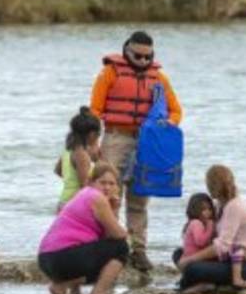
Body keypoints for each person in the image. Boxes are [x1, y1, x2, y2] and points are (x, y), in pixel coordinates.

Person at [89, 30, 182, 273]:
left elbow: (176, 112)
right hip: (115, 137)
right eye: (137, 56)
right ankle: (108, 245)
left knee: (140, 198)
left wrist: (165, 127)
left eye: (147, 57)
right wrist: (93, 141)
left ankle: (138, 250)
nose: (142, 62)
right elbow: (95, 110)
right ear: (126, 51)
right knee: (108, 193)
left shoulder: (159, 79)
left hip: (147, 142)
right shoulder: (110, 72)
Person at [36, 161, 129, 294]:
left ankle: (64, 287)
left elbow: (104, 238)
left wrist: (114, 209)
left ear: (117, 187)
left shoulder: (83, 194)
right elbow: (118, 235)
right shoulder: (96, 197)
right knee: (122, 248)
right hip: (62, 258)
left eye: (112, 184)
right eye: (102, 182)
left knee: (96, 249)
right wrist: (117, 215)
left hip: (46, 260)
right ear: (91, 183)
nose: (107, 187)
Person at [174, 165, 246, 294]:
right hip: (226, 258)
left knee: (192, 267)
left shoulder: (235, 207)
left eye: (208, 183)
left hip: (244, 264)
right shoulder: (219, 205)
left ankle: (208, 284)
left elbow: (222, 246)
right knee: (178, 253)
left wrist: (190, 259)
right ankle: (205, 282)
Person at [54, 106, 102, 211]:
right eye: (99, 134)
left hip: (64, 200)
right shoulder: (82, 155)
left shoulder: (69, 149)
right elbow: (84, 186)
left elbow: (58, 171)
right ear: (92, 134)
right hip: (74, 205)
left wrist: (71, 180)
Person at [171, 192, 216, 270]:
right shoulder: (196, 223)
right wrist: (210, 227)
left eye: (209, 209)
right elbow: (200, 242)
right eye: (204, 209)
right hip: (193, 259)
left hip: (190, 257)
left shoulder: (194, 223)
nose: (208, 212)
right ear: (195, 210)